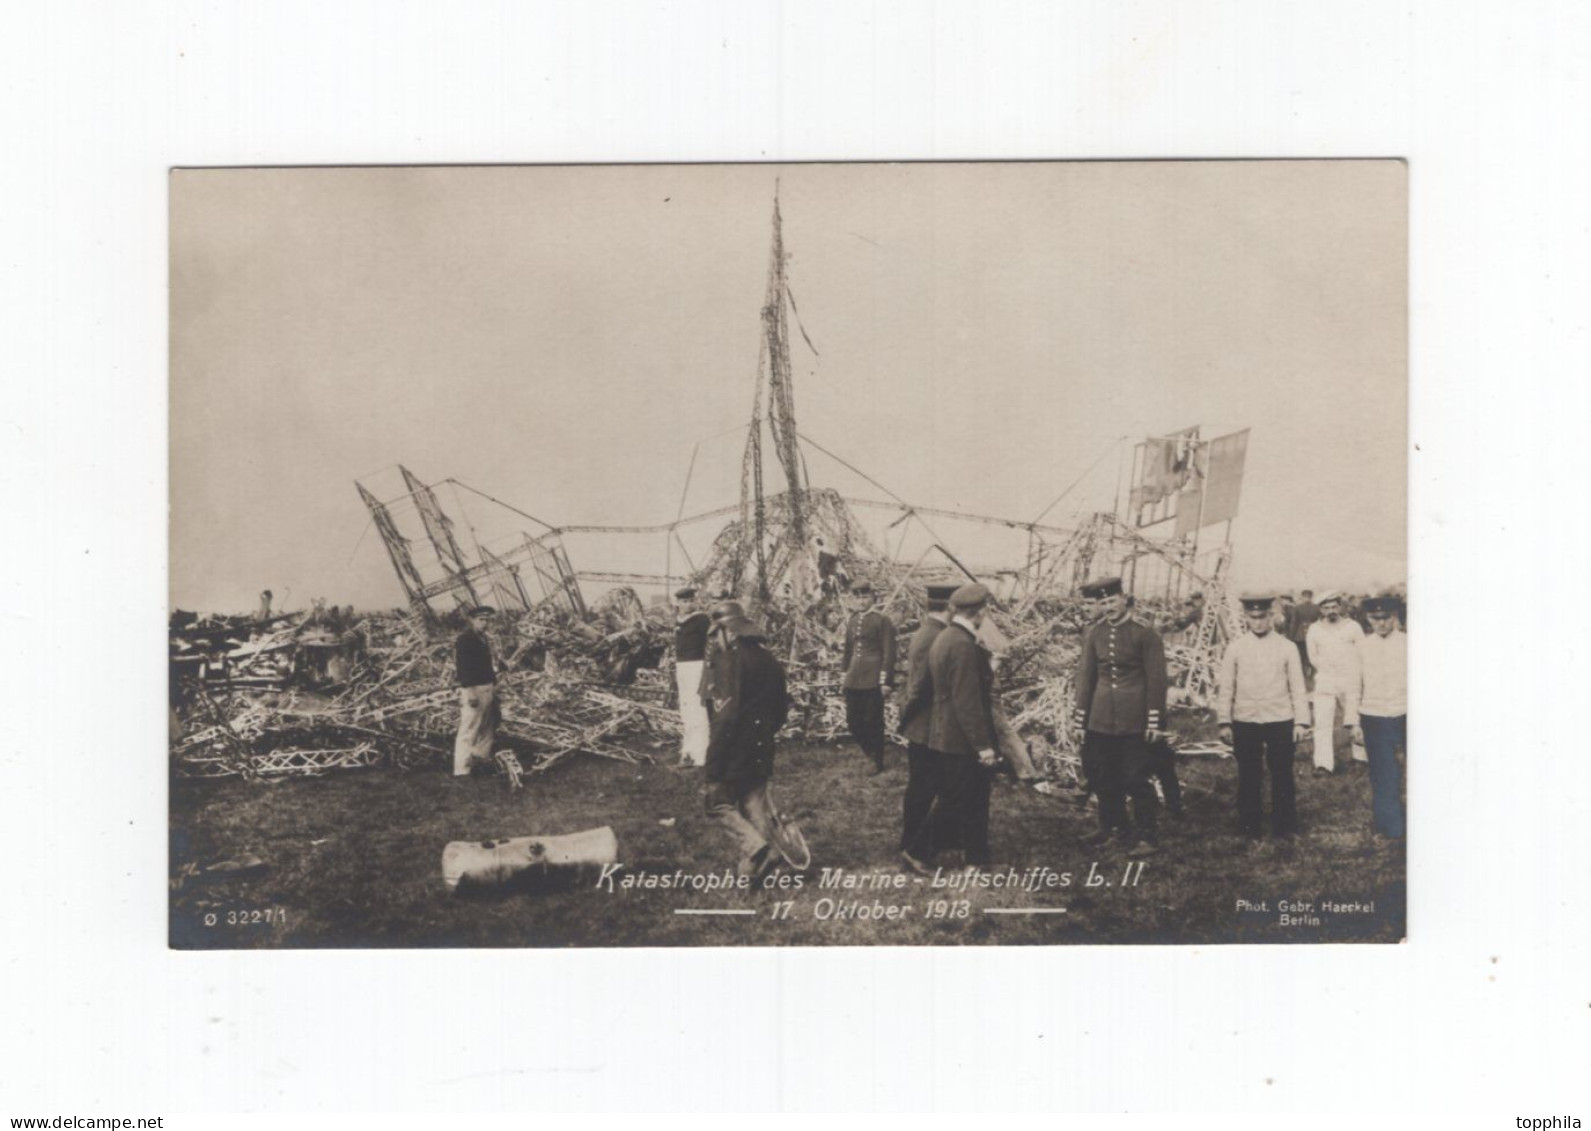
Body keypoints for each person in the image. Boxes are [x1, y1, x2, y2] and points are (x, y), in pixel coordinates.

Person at [1072, 577, 1168, 856]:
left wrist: (1155, 722)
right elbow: (1085, 679)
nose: (1108, 607)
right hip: (1101, 718)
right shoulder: (1095, 633)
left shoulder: (1144, 633)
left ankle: (1147, 836)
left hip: (1133, 718)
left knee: (1136, 778)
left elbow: (1157, 680)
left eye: (1112, 600)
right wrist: (1081, 721)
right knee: (1104, 777)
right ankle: (1113, 829)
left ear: (1124, 598)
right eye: (1103, 603)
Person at [1216, 592, 1310, 841]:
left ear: (1271, 615)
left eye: (1262, 616)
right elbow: (1226, 687)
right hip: (1245, 720)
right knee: (1249, 773)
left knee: (1282, 772)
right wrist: (1224, 721)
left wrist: (1301, 721)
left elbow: (1298, 687)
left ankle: (1286, 825)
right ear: (1246, 617)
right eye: (1252, 617)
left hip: (1280, 718)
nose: (1258, 622)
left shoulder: (1287, 647)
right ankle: (1249, 825)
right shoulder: (1235, 648)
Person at [703, 615, 791, 879]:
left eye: (715, 635)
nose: (713, 642)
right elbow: (781, 710)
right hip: (762, 742)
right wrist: (764, 731)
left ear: (728, 632)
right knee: (754, 803)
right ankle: (757, 869)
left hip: (734, 744)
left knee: (716, 802)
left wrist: (713, 763)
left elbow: (725, 715)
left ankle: (756, 847)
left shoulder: (729, 660)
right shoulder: (771, 660)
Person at [927, 583, 1000, 866]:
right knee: (973, 800)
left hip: (947, 732)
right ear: (980, 612)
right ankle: (975, 858)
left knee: (952, 795)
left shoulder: (946, 637)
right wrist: (984, 747)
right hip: (962, 737)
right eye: (986, 610)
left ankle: (936, 846)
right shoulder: (963, 645)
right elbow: (967, 701)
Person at [897, 584, 956, 872]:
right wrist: (906, 716)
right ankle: (915, 847)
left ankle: (912, 843)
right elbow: (919, 687)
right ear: (951, 607)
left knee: (922, 786)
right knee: (926, 787)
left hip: (923, 724)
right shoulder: (937, 636)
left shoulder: (926, 631)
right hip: (928, 725)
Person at [1350, 594, 1407, 839]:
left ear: (1394, 617)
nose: (1381, 624)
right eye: (1375, 619)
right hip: (1374, 715)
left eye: (1386, 618)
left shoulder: (1409, 643)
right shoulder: (1361, 647)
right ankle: (1390, 823)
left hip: (1405, 713)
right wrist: (1353, 722)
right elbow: (1353, 685)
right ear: (1368, 619)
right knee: (1383, 771)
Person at [1305, 591, 1366, 773]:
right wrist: (1326, 668)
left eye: (1333, 607)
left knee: (1356, 718)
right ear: (1321, 610)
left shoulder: (1353, 627)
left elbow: (1363, 652)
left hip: (1350, 679)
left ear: (1340, 607)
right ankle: (1323, 764)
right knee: (1323, 720)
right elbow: (1312, 656)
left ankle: (1361, 758)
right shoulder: (1314, 629)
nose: (1330, 611)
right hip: (1326, 679)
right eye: (1326, 608)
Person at [841, 582, 897, 773]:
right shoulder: (853, 619)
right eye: (857, 597)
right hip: (854, 677)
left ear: (873, 598)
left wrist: (886, 681)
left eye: (865, 597)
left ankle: (877, 760)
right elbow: (848, 650)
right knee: (853, 722)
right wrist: (844, 673)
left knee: (873, 721)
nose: (861, 601)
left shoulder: (882, 620)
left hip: (873, 678)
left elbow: (889, 652)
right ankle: (869, 751)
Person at [453, 605, 500, 777]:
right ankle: (462, 770)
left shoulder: (483, 639)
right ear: (472, 620)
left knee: (487, 727)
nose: (485, 623)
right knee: (469, 728)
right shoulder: (465, 639)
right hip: (474, 689)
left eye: (487, 620)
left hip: (487, 687)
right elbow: (463, 667)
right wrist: (470, 691)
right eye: (481, 620)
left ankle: (480, 760)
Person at [671, 587, 712, 767]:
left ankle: (701, 754)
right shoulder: (678, 620)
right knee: (686, 708)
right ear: (678, 603)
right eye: (684, 601)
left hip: (696, 665)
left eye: (690, 601)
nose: (688, 604)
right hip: (682, 666)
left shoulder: (701, 619)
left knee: (698, 708)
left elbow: (711, 642)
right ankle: (688, 751)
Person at [697, 598, 744, 719]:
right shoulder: (714, 633)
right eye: (713, 602)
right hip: (717, 686)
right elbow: (710, 664)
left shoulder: (738, 633)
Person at [1289, 589, 1320, 676]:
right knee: (1313, 654)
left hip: (1300, 636)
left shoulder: (1297, 608)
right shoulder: (1317, 607)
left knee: (1302, 656)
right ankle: (1312, 672)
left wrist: (1291, 637)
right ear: (1311, 597)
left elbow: (1294, 623)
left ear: (1302, 597)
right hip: (1314, 634)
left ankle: (1303, 673)